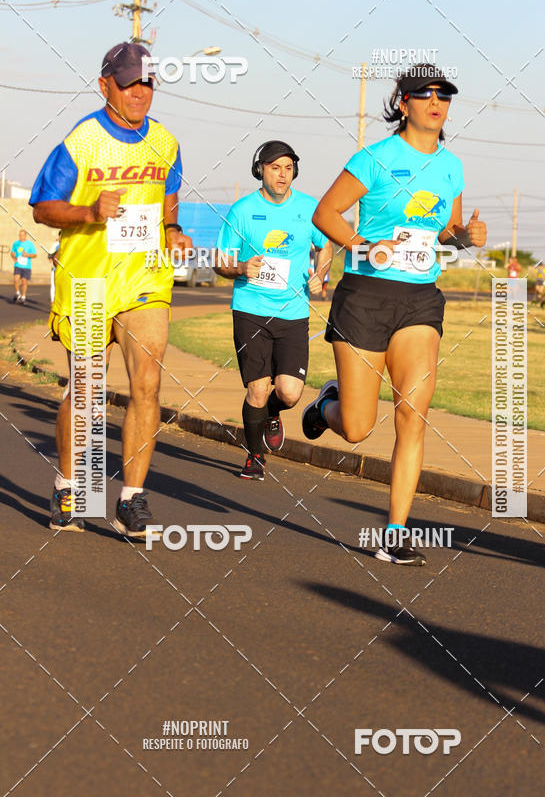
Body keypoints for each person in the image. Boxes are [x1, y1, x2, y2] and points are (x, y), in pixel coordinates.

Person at [302, 65, 486, 565]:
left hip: (420, 299)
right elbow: (325, 213)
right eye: (424, 94)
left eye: (444, 95)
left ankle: (395, 533)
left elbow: (446, 233)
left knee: (413, 413)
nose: (436, 102)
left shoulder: (452, 167)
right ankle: (326, 406)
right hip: (365, 297)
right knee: (358, 428)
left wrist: (465, 237)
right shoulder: (375, 158)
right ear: (403, 104)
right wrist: (363, 245)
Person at [30, 42, 189, 536]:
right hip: (89, 281)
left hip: (144, 278)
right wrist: (89, 211)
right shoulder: (81, 142)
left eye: (147, 83)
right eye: (128, 83)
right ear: (105, 86)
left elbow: (169, 197)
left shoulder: (165, 142)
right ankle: (68, 486)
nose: (140, 92)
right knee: (86, 390)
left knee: (147, 382)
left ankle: (131, 499)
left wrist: (173, 231)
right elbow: (42, 207)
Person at [215, 140, 331, 480]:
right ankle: (255, 456)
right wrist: (240, 268)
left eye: (288, 168)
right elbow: (219, 261)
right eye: (275, 167)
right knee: (257, 388)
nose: (282, 175)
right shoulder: (242, 210)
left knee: (289, 393)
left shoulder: (309, 208)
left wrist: (321, 275)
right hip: (250, 310)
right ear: (260, 170)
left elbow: (325, 246)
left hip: (293, 314)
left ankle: (273, 413)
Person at [11, 229, 37, 303]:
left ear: (25, 236)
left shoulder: (30, 244)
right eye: (20, 235)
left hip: (26, 266)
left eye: (22, 235)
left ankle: (23, 296)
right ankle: (17, 293)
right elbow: (12, 252)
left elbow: (35, 255)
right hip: (18, 265)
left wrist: (27, 255)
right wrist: (13, 256)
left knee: (24, 281)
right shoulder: (16, 243)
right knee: (16, 279)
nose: (21, 237)